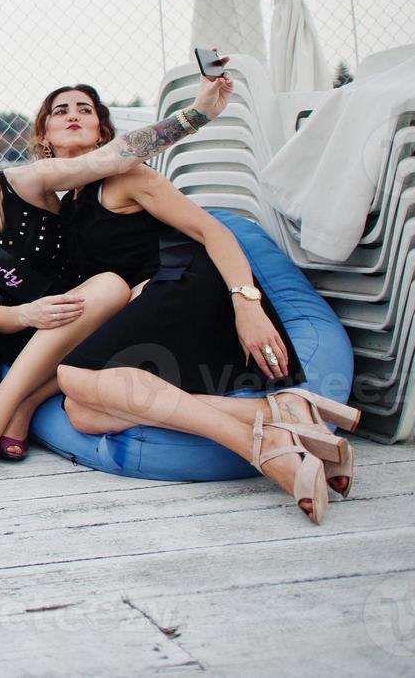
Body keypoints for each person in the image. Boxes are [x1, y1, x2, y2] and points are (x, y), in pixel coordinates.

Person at [36, 87, 346, 524]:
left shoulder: (127, 176)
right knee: (82, 414)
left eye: (84, 110)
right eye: (60, 111)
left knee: (72, 376)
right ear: (44, 136)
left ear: (103, 130)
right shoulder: (66, 203)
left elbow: (214, 233)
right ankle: (276, 413)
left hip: (192, 287)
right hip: (154, 307)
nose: (73, 115)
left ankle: (265, 449)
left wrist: (247, 303)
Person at [0, 72, 234, 468]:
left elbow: (114, 155)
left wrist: (196, 115)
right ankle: (22, 405)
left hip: (85, 311)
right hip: (25, 326)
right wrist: (26, 313)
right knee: (98, 297)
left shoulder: (26, 180)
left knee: (110, 287)